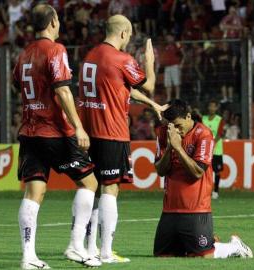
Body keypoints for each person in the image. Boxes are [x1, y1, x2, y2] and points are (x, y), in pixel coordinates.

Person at [12, 4, 101, 269]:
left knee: (34, 191)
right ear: (52, 22)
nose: (60, 23)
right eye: (58, 19)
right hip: (54, 132)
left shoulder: (24, 54)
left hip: (29, 131)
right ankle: (75, 246)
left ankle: (28, 257)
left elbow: (20, 85)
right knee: (90, 184)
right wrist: (79, 127)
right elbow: (62, 92)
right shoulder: (55, 50)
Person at [76, 14, 167, 264]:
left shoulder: (91, 56)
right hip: (111, 132)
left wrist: (151, 105)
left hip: (90, 132)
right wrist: (149, 60)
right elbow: (147, 84)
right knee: (110, 189)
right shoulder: (121, 58)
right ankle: (106, 251)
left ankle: (90, 248)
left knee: (92, 189)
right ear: (124, 34)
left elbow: (123, 88)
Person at [154, 99, 253, 258]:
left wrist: (178, 148)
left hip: (196, 209)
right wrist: (170, 148)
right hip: (170, 209)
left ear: (188, 116)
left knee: (203, 255)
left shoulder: (204, 134)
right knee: (163, 256)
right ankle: (210, 240)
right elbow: (160, 170)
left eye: (179, 126)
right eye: (173, 126)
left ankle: (234, 247)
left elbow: (198, 172)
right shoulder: (164, 132)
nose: (177, 131)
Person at [202, 100, 225, 199]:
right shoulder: (203, 118)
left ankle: (216, 191)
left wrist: (213, 143)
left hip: (217, 150)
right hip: (205, 149)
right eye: (210, 106)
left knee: (217, 171)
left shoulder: (219, 119)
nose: (211, 108)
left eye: (213, 106)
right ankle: (205, 191)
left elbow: (220, 134)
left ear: (216, 108)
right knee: (204, 171)